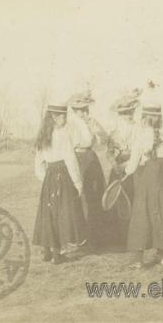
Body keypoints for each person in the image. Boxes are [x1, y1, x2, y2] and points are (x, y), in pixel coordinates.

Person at [124, 102, 163, 268]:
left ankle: (138, 260)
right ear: (160, 119)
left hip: (150, 177)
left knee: (142, 214)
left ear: (144, 119)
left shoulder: (141, 137)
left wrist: (124, 171)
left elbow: (131, 167)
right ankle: (160, 255)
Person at [32, 102, 87, 264]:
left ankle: (47, 251)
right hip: (63, 175)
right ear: (54, 117)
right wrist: (78, 183)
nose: (65, 118)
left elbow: (38, 163)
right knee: (61, 214)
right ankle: (56, 254)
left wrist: (45, 179)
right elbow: (71, 160)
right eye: (63, 116)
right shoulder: (62, 135)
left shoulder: (43, 135)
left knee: (48, 214)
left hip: (50, 177)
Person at [68, 92, 107, 250]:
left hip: (91, 158)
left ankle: (96, 234)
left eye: (85, 109)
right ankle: (81, 236)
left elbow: (103, 140)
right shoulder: (70, 125)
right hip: (77, 158)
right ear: (74, 111)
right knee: (81, 196)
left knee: (95, 194)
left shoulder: (92, 122)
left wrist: (96, 129)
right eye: (80, 110)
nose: (84, 113)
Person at [105, 96, 139, 249]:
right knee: (118, 202)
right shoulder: (114, 133)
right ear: (119, 114)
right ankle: (119, 238)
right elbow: (109, 153)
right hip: (119, 170)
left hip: (135, 168)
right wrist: (114, 165)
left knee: (136, 200)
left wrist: (130, 164)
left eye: (130, 111)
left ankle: (137, 236)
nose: (128, 115)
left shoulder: (140, 130)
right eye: (125, 113)